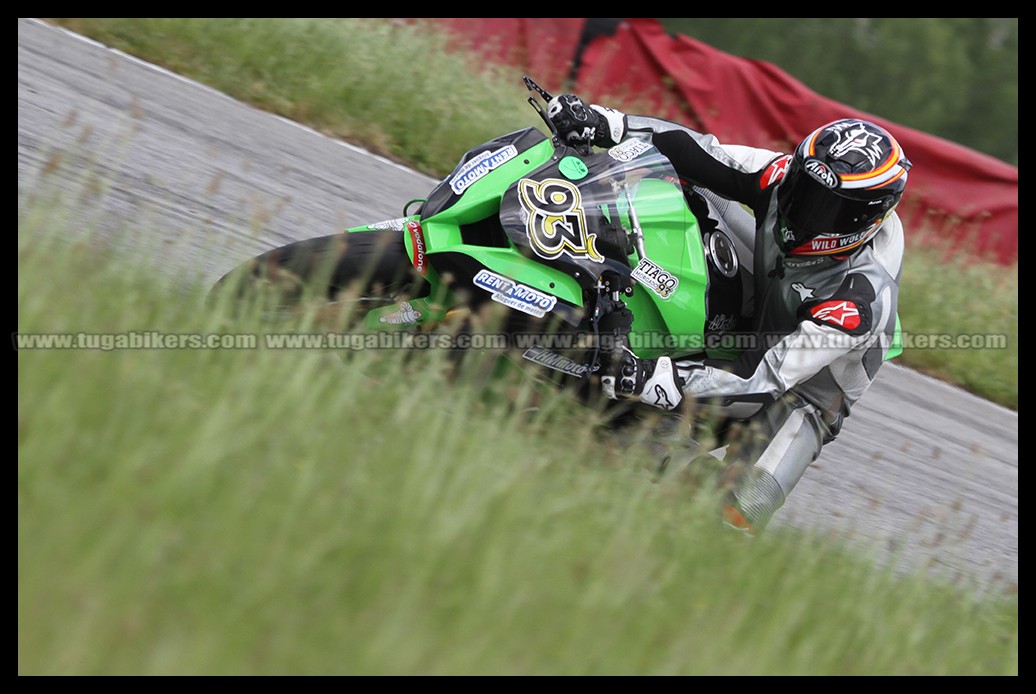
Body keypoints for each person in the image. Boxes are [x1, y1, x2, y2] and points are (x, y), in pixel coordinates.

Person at [547, 94, 911, 532]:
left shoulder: (859, 301)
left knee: (733, 517)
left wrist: (653, 379)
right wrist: (606, 123)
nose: (799, 205)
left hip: (802, 389)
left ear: (863, 220)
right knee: (687, 182)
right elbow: (699, 151)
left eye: (824, 206)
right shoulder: (785, 179)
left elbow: (763, 379)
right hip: (763, 305)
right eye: (801, 187)